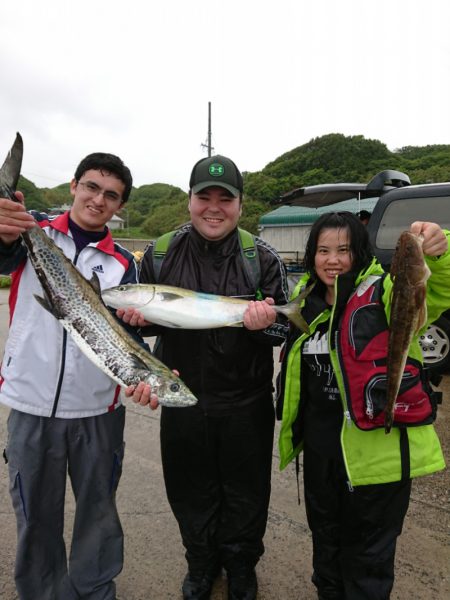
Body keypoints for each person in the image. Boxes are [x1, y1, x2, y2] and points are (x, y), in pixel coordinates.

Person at [121, 155, 290, 600]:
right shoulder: (158, 253)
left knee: (247, 491)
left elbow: (284, 329)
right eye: (204, 197)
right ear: (189, 200)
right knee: (188, 487)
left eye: (225, 198)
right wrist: (137, 324)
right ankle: (200, 563)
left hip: (245, 400)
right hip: (182, 395)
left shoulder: (262, 258)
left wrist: (262, 324)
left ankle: (240, 566)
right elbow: (145, 328)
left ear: (240, 204)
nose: (213, 207)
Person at [276, 211, 450, 600]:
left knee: (368, 561)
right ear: (311, 255)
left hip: (377, 461)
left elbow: (439, 288)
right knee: (327, 550)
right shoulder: (306, 301)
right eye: (323, 250)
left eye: (343, 249)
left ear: (361, 252)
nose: (332, 260)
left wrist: (440, 253)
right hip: (322, 458)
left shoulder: (387, 291)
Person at [0, 153, 139, 600]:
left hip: (100, 410)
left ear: (119, 206)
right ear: (75, 185)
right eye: (92, 187)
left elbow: (128, 334)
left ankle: (96, 592)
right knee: (36, 516)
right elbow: (3, 258)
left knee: (98, 514)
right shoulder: (29, 231)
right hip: (30, 403)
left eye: (111, 195)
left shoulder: (124, 264)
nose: (99, 199)